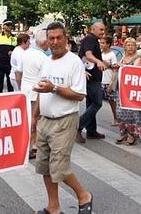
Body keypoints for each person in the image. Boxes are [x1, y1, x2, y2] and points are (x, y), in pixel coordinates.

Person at [32, 22, 92, 214]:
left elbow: (80, 95)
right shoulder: (47, 61)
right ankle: (53, 207)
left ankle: (84, 195)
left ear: (66, 39)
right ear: (47, 40)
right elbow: (42, 92)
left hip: (64, 120)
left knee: (59, 168)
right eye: (51, 38)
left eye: (59, 37)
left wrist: (55, 88)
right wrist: (34, 118)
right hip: (45, 121)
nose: (55, 41)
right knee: (45, 167)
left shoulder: (74, 62)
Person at [76, 22, 107, 143]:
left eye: (103, 30)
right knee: (97, 103)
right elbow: (88, 55)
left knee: (91, 104)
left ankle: (91, 131)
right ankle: (79, 125)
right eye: (100, 29)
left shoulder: (92, 40)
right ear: (93, 29)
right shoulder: (90, 38)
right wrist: (99, 62)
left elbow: (92, 56)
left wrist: (107, 64)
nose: (102, 32)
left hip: (92, 76)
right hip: (91, 78)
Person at [20, 30, 48, 159]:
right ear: (44, 42)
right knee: (35, 121)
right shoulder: (43, 58)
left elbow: (18, 72)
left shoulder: (26, 53)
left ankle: (34, 145)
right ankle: (32, 147)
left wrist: (20, 88)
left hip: (25, 92)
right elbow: (45, 79)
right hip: (36, 93)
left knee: (31, 120)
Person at [115, 38, 141, 145]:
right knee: (120, 111)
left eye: (132, 45)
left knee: (133, 113)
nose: (130, 47)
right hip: (121, 88)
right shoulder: (122, 57)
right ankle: (123, 132)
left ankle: (133, 134)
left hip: (132, 90)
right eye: (128, 45)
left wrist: (123, 67)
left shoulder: (137, 58)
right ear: (125, 46)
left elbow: (135, 70)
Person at [0, 20, 17, 93]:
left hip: (10, 65)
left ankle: (11, 103)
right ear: (3, 26)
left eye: (11, 25)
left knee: (11, 86)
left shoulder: (15, 38)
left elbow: (18, 51)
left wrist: (13, 52)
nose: (10, 26)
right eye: (8, 25)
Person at [100, 36, 119, 126]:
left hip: (108, 80)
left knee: (112, 101)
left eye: (103, 43)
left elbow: (115, 69)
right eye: (101, 43)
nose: (101, 44)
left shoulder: (112, 55)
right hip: (100, 80)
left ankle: (116, 117)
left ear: (108, 44)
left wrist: (111, 83)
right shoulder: (99, 53)